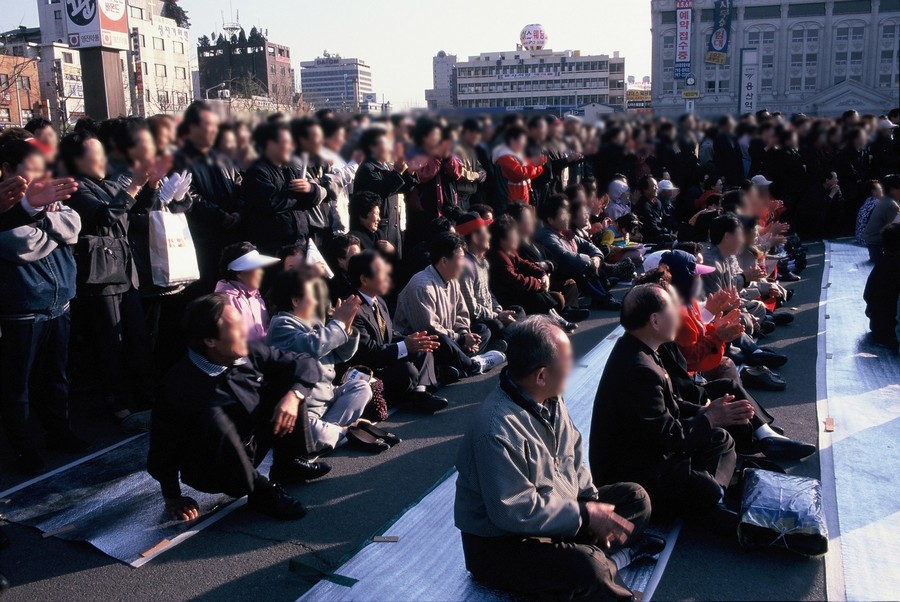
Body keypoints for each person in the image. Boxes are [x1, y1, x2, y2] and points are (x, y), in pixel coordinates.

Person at [455, 316, 660, 601]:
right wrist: (585, 515)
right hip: (504, 542)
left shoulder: (548, 397)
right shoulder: (495, 429)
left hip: (558, 514)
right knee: (589, 566)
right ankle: (609, 563)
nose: (571, 367)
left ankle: (597, 562)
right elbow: (514, 513)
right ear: (541, 375)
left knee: (635, 499)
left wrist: (588, 501)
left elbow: (573, 452)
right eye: (566, 362)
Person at [148, 294, 329, 522]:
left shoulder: (247, 352)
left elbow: (304, 362)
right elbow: (162, 447)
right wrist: (172, 496)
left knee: (290, 383)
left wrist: (294, 396)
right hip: (215, 468)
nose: (246, 331)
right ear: (210, 341)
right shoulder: (178, 386)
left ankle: (288, 464)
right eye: (236, 328)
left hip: (249, 444)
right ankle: (260, 491)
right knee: (213, 415)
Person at [590, 284, 752, 523]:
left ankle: (712, 499)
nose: (678, 314)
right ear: (655, 321)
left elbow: (671, 403)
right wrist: (711, 417)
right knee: (705, 484)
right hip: (631, 472)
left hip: (651, 452)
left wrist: (705, 410)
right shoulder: (637, 367)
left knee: (721, 440)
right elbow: (668, 436)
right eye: (672, 309)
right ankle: (711, 497)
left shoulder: (642, 349)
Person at [61, 129, 156, 426]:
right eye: (96, 154)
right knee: (110, 343)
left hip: (125, 271)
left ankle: (144, 397)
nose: (103, 159)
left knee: (136, 338)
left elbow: (136, 213)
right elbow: (103, 218)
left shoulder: (108, 184)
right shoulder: (75, 187)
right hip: (101, 276)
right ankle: (117, 403)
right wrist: (134, 186)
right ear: (78, 159)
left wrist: (150, 187)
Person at [0, 139, 83, 474]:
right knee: (17, 384)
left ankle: (60, 431)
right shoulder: (5, 205)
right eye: (32, 169)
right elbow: (20, 244)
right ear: (7, 170)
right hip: (22, 306)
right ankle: (24, 447)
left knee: (55, 376)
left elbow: (74, 224)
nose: (41, 177)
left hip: (59, 301)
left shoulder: (49, 194)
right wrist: (47, 222)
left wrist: (39, 220)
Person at [265, 269, 373, 453]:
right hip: (305, 408)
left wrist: (346, 327)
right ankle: (343, 431)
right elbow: (312, 347)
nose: (318, 301)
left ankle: (331, 432)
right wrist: (338, 323)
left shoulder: (314, 323)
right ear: (296, 300)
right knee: (315, 433)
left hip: (327, 400)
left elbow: (342, 355)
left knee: (361, 388)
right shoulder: (281, 325)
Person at [394, 232, 506, 381]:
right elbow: (429, 329)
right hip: (426, 347)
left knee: (483, 330)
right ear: (444, 261)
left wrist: (465, 334)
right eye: (461, 259)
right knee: (441, 340)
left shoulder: (452, 280)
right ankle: (472, 365)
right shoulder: (422, 286)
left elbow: (462, 313)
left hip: (452, 340)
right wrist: (461, 339)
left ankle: (455, 367)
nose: (464, 264)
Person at [347, 250, 448, 412]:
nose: (387, 276)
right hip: (367, 372)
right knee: (407, 371)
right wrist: (405, 346)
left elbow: (389, 335)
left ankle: (419, 393)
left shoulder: (379, 301)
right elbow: (369, 352)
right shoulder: (352, 309)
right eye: (381, 272)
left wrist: (412, 341)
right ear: (364, 279)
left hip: (385, 358)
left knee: (423, 346)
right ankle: (417, 391)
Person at [172, 101, 243, 293]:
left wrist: (239, 211)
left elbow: (239, 183)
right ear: (191, 127)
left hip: (232, 237)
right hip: (202, 242)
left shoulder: (222, 156)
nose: (213, 130)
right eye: (208, 125)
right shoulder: (179, 160)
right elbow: (189, 197)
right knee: (207, 295)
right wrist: (221, 216)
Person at [487, 214, 585, 329]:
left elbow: (525, 264)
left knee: (563, 288)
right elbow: (515, 280)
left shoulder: (508, 251)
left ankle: (558, 318)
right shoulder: (498, 256)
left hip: (518, 290)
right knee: (536, 295)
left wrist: (541, 274)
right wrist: (538, 283)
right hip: (507, 297)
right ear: (504, 236)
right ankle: (557, 320)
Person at [242, 121, 323, 256]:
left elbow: (309, 201)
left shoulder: (290, 170)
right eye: (286, 143)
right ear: (270, 144)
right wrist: (297, 193)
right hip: (274, 247)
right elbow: (272, 202)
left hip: (300, 243)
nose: (291, 148)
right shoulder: (257, 172)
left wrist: (310, 189)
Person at [535, 194, 622, 310]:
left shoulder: (564, 232)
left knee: (588, 266)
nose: (568, 217)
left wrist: (596, 258)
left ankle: (603, 297)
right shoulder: (546, 236)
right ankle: (602, 299)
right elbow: (565, 257)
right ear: (550, 219)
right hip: (554, 277)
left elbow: (590, 247)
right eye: (563, 215)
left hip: (570, 270)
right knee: (580, 269)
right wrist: (589, 261)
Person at [456, 211, 524, 341]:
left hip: (491, 314)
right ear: (475, 237)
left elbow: (488, 293)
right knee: (496, 326)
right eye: (485, 231)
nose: (489, 235)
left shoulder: (483, 262)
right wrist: (496, 316)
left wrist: (498, 310)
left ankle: (515, 336)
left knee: (517, 310)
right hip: (478, 321)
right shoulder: (466, 267)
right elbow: (471, 309)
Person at [354, 127, 416, 261]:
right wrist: (398, 170)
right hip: (378, 230)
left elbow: (403, 189)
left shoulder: (387, 167)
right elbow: (382, 190)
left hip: (393, 227)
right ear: (372, 147)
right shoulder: (367, 168)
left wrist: (409, 171)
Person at [290, 117, 343, 249]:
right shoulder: (294, 163)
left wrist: (320, 181)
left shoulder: (321, 161)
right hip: (310, 227)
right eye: (316, 137)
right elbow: (309, 193)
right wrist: (321, 188)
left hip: (327, 224)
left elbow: (338, 183)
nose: (321, 141)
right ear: (302, 139)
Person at [214, 242, 279, 341]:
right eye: (256, 268)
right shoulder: (225, 301)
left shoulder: (257, 298)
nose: (261, 272)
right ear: (239, 273)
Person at [864, 222, 900, 351]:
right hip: (889, 329)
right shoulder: (895, 263)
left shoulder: (885, 260)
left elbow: (868, 295)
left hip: (877, 323)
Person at [492, 125, 545, 210]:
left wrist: (538, 165)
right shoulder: (504, 157)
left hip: (522, 201)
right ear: (512, 141)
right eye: (522, 140)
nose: (524, 144)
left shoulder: (518, 156)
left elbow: (531, 173)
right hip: (511, 203)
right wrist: (534, 164)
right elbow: (519, 174)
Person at [862, 174, 900, 262]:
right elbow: (894, 230)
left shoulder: (886, 200)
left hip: (874, 245)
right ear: (892, 189)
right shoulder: (890, 204)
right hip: (879, 247)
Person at [347, 190, 395, 257]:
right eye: (376, 213)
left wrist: (391, 251)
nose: (379, 219)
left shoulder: (379, 234)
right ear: (362, 215)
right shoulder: (352, 239)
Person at [453, 118, 487, 210]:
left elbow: (477, 165)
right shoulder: (456, 148)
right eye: (477, 134)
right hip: (457, 198)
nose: (479, 137)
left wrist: (482, 172)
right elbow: (458, 172)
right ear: (468, 132)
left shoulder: (470, 148)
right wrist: (476, 175)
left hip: (468, 199)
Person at [326, 234, 362, 304]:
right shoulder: (334, 286)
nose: (359, 260)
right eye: (355, 257)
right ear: (340, 260)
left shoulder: (361, 277)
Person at [856, 180, 885, 246]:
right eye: (880, 189)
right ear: (873, 191)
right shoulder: (878, 203)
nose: (882, 190)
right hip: (869, 241)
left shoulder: (867, 201)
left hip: (860, 238)